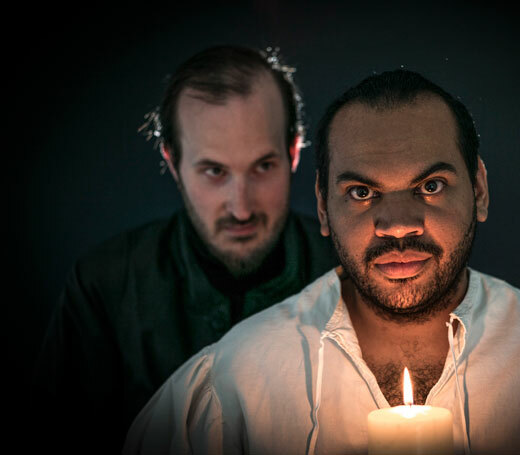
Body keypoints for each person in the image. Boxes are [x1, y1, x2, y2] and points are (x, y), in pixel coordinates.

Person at [123, 70, 520, 455]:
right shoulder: (228, 389)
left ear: (481, 191)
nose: (398, 225)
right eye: (362, 193)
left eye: (430, 184)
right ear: (322, 208)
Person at [31, 46, 336, 454]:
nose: (241, 207)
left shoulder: (347, 270)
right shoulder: (104, 286)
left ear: (293, 152)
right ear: (172, 162)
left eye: (263, 166)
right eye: (214, 171)